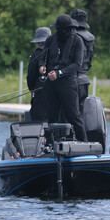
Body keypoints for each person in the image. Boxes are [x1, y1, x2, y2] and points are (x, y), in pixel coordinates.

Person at [39, 14, 87, 142]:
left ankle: (84, 143)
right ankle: (51, 143)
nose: (59, 32)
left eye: (61, 29)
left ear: (68, 29)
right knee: (52, 115)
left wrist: (60, 72)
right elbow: (43, 58)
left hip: (67, 82)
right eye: (57, 29)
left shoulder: (77, 40)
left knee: (74, 115)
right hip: (51, 83)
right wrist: (42, 66)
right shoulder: (50, 40)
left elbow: (77, 64)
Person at [70, 9, 95, 114]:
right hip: (84, 79)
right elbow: (90, 60)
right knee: (81, 112)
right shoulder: (90, 38)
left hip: (71, 80)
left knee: (70, 113)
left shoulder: (71, 36)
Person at [27, 27, 51, 121]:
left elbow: (31, 74)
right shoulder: (56, 52)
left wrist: (31, 88)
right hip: (56, 92)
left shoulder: (36, 54)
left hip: (40, 92)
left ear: (38, 42)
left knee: (38, 117)